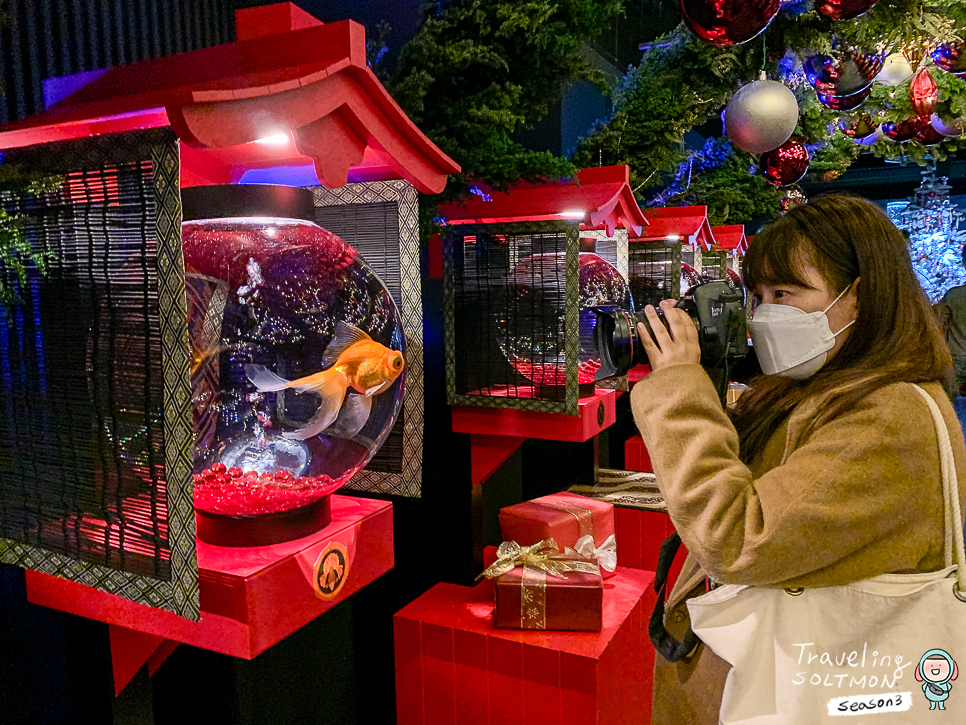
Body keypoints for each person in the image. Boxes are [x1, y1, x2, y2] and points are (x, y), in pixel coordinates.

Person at [628, 194, 966, 725]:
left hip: (825, 686)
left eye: (786, 293)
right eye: (759, 296)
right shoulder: (823, 389)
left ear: (861, 297)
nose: (767, 314)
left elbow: (738, 537)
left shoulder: (890, 414)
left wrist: (677, 390)